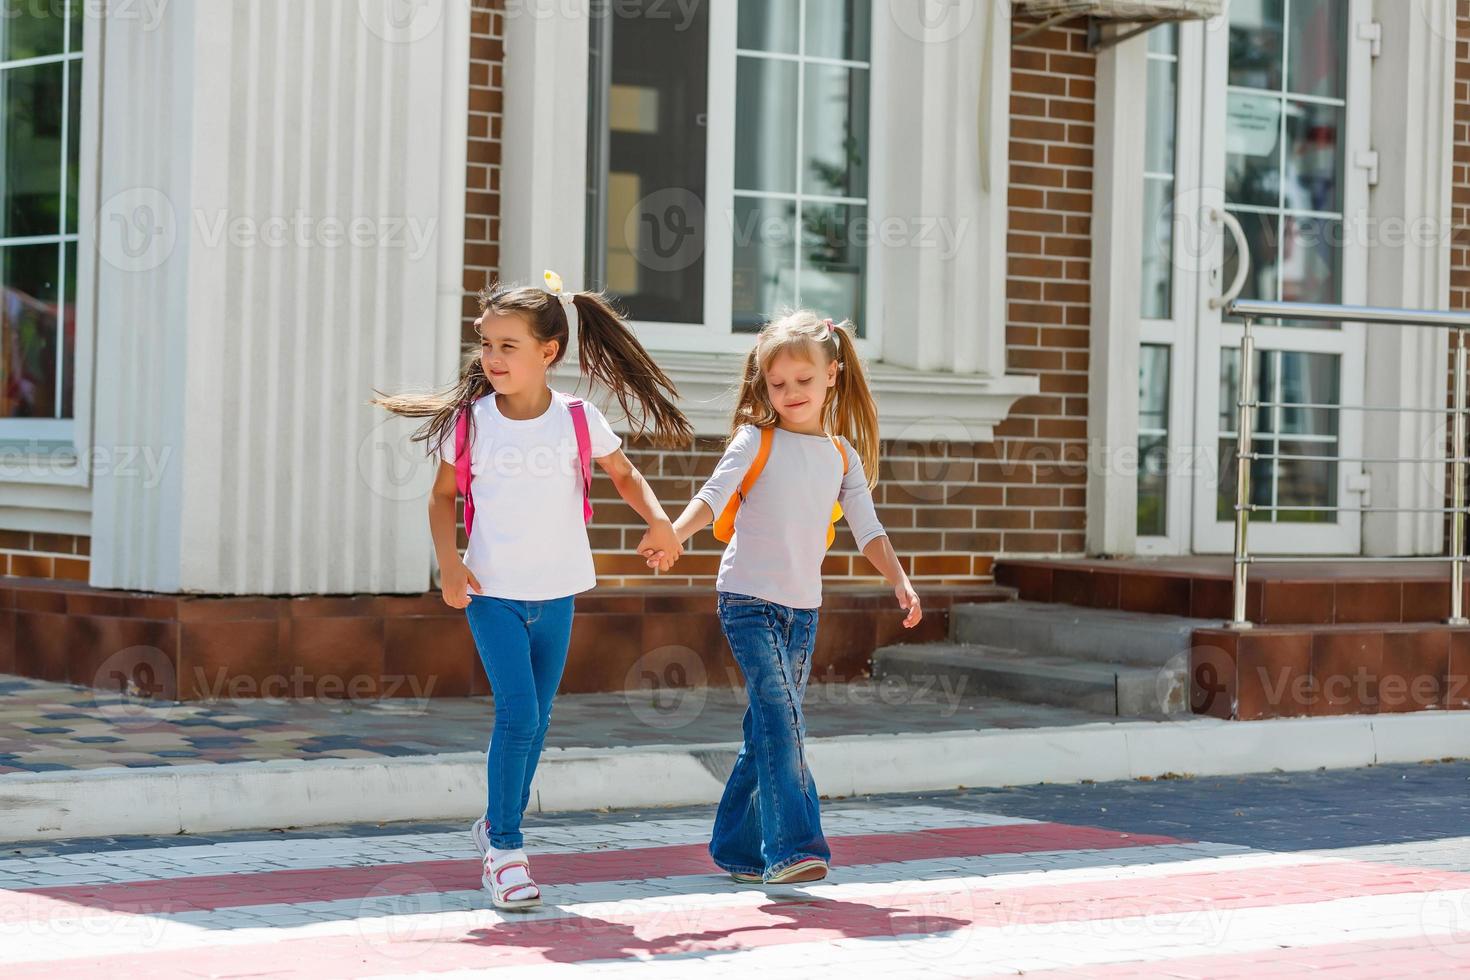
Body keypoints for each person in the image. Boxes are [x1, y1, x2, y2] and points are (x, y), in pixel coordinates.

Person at [377, 271, 691, 910]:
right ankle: (507, 850)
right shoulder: (469, 423)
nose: (491, 358)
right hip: (492, 594)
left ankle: (495, 824)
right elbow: (441, 499)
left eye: (507, 346)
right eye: (486, 344)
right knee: (518, 715)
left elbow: (625, 474)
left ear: (547, 353)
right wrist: (450, 565)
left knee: (539, 721)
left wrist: (658, 519)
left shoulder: (578, 419)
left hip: (559, 595)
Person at [641, 311, 921, 884]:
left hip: (802, 610)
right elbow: (715, 495)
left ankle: (735, 847)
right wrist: (674, 531)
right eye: (778, 384)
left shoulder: (841, 455)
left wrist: (899, 578)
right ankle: (794, 847)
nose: (791, 393)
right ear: (763, 384)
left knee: (767, 727)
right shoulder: (756, 439)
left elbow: (869, 530)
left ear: (832, 376)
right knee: (783, 717)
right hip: (747, 601)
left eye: (804, 381)